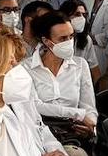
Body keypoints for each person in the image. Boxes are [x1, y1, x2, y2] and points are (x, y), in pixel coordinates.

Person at [23, 11, 98, 145]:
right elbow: (34, 106)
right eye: (63, 39)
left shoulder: (80, 65)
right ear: (46, 41)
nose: (69, 42)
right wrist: (77, 114)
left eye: (71, 36)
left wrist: (90, 125)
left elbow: (89, 107)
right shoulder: (26, 68)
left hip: (73, 135)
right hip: (38, 135)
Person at [59, 0, 98, 82]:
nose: (82, 18)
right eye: (77, 14)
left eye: (84, 15)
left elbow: (94, 68)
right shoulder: (57, 38)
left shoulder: (86, 39)